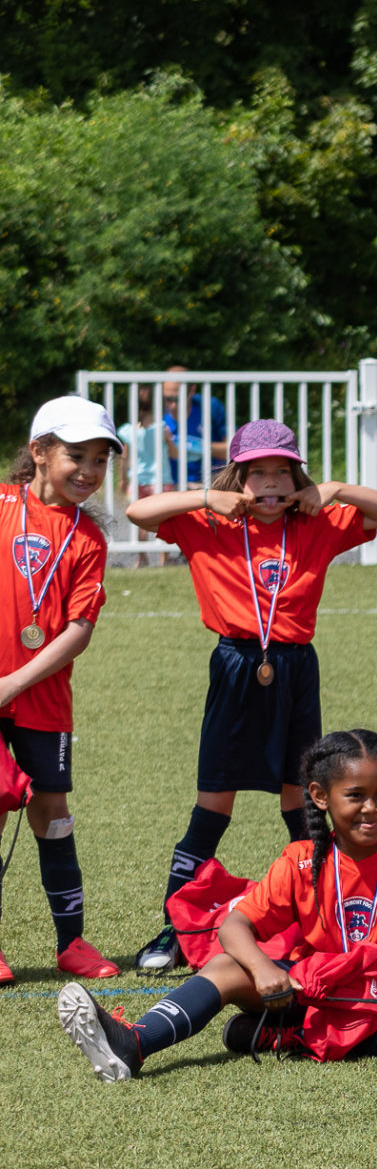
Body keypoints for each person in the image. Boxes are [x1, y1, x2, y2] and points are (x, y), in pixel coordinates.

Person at [125, 421, 377, 975]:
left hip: (296, 669)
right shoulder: (210, 522)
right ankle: (176, 926)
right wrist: (209, 497)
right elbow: (138, 512)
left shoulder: (316, 522)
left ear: (297, 477)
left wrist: (334, 490)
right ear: (238, 477)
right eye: (257, 473)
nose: (271, 483)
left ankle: (325, 921)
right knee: (213, 805)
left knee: (303, 800)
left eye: (282, 471)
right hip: (235, 665)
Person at [58, 730, 377, 1080]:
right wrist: (263, 969)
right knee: (226, 966)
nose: (372, 808)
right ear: (321, 796)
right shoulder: (300, 860)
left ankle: (290, 1038)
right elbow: (234, 927)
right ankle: (135, 1043)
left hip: (376, 997)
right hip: (307, 991)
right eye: (355, 795)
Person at [1, 396, 122, 982]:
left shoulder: (89, 538)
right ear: (40, 452)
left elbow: (78, 631)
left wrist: (12, 683)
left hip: (43, 701)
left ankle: (71, 942)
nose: (89, 471)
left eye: (100, 460)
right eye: (77, 455)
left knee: (52, 814)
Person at [115, 378, 179, 567]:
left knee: (140, 520)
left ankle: (142, 558)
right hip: (161, 480)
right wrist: (171, 443)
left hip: (138, 480)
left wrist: (123, 480)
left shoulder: (130, 431)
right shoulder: (162, 429)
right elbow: (174, 454)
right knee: (164, 519)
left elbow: (125, 458)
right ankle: (165, 556)